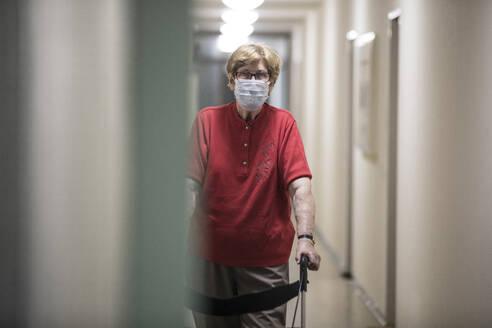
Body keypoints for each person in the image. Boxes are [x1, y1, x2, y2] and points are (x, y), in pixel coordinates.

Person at [186, 43, 321, 328]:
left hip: (266, 259)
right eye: (243, 74)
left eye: (259, 75)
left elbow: (301, 187)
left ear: (270, 81)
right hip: (210, 256)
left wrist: (306, 238)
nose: (251, 81)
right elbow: (189, 186)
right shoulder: (207, 121)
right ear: (232, 79)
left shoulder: (284, 124)